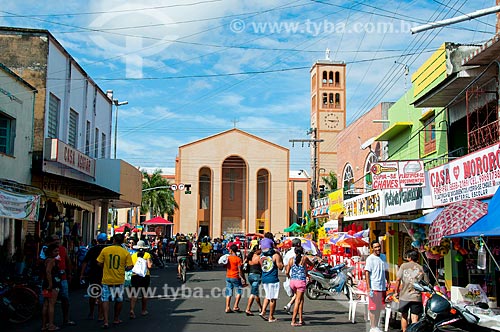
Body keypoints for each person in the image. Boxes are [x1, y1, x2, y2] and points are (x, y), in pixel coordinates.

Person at [97, 233, 133, 329]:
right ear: (122, 242)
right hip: (119, 279)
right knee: (119, 299)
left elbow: (99, 263)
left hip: (106, 279)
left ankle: (105, 321)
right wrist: (123, 268)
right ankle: (116, 318)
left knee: (105, 299)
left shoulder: (105, 250)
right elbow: (130, 266)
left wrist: (106, 266)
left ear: (113, 240)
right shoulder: (125, 252)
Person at [46, 234, 76, 327]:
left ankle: (65, 319)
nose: (57, 241)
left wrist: (70, 274)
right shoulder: (46, 251)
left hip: (62, 278)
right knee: (48, 302)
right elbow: (46, 269)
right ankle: (47, 323)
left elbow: (68, 261)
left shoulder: (63, 249)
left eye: (58, 239)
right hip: (50, 280)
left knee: (65, 299)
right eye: (55, 240)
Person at [394, 249, 427, 332]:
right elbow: (426, 282)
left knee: (404, 316)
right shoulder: (421, 268)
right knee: (414, 317)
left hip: (404, 296)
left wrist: (396, 292)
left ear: (409, 257)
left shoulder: (403, 266)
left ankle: (404, 331)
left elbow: (398, 279)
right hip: (416, 296)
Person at [80, 233, 108, 321]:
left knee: (93, 293)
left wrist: (82, 274)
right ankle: (100, 315)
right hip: (104, 274)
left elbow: (85, 262)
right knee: (101, 295)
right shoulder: (107, 249)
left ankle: (91, 313)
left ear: (97, 241)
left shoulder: (92, 249)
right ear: (106, 241)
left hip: (93, 274)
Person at [364, 240, 389, 332]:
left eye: (379, 247)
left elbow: (386, 269)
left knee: (379, 307)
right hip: (374, 286)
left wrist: (388, 280)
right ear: (372, 248)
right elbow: (367, 273)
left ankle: (376, 326)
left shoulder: (383, 257)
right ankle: (372, 327)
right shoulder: (370, 259)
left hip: (382, 286)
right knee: (373, 308)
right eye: (375, 247)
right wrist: (368, 287)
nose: (378, 249)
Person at [286, 246, 313, 326]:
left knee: (301, 300)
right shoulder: (304, 259)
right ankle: (293, 320)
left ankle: (301, 319)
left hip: (293, 282)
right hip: (300, 282)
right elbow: (311, 264)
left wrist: (290, 278)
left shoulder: (291, 260)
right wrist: (306, 271)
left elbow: (287, 272)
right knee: (297, 301)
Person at [259, 234, 283, 323]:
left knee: (267, 296)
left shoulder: (261, 256)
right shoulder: (275, 255)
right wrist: (280, 256)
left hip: (264, 278)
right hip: (273, 278)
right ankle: (271, 317)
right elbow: (280, 267)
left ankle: (263, 311)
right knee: (273, 298)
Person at [129, 240, 153, 319]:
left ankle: (132, 309)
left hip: (135, 275)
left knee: (134, 293)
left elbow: (131, 266)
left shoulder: (133, 255)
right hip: (145, 276)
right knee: (144, 293)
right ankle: (143, 310)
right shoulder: (147, 255)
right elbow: (149, 266)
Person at [41, 244, 61, 331]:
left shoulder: (46, 260)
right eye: (55, 251)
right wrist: (50, 284)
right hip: (52, 285)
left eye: (58, 251)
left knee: (46, 303)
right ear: (50, 252)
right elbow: (48, 271)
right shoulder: (52, 260)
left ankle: (44, 325)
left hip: (45, 284)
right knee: (51, 304)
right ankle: (51, 325)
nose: (57, 253)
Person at [282, 238, 303, 314]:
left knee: (295, 294)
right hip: (299, 277)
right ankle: (290, 306)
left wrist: (287, 275)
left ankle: (291, 307)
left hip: (290, 276)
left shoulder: (288, 253)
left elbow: (285, 264)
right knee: (299, 295)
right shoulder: (299, 253)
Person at [224, 244, 247, 313]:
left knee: (229, 292)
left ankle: (227, 307)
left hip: (228, 276)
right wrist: (243, 278)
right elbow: (240, 270)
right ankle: (235, 306)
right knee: (239, 291)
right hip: (235, 276)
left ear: (231, 250)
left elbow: (224, 265)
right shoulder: (238, 259)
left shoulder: (228, 258)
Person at [244, 245, 262, 316]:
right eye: (260, 250)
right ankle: (248, 309)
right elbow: (262, 267)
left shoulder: (249, 257)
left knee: (255, 292)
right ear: (257, 250)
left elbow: (244, 263)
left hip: (250, 275)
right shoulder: (258, 257)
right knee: (253, 293)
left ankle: (260, 307)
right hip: (256, 275)